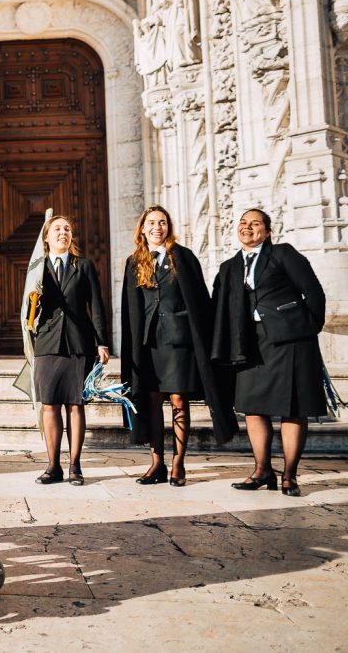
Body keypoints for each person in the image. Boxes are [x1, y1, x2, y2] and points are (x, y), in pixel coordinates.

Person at [212, 208, 326, 497]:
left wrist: (307, 328)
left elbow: (314, 292)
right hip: (249, 343)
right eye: (243, 223)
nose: (247, 227)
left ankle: (289, 475)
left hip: (290, 341)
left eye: (255, 223)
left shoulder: (283, 254)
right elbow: (217, 307)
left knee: (293, 408)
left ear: (268, 231)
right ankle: (262, 470)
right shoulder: (229, 267)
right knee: (253, 407)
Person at [120, 206, 237, 486]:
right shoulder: (134, 261)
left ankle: (178, 463)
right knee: (151, 402)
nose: (157, 227)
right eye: (151, 222)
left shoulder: (183, 257)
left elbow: (199, 300)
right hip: (148, 343)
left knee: (178, 401)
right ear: (142, 228)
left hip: (179, 341)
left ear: (168, 227)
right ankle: (156, 463)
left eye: (162, 222)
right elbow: (129, 306)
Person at [32, 215, 110, 486]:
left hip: (79, 342)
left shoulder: (84, 266)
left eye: (67, 229)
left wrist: (102, 342)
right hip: (47, 342)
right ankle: (53, 466)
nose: (62, 232)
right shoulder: (37, 267)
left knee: (76, 405)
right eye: (56, 229)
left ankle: (75, 466)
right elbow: (28, 307)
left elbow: (96, 305)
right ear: (46, 237)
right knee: (49, 405)